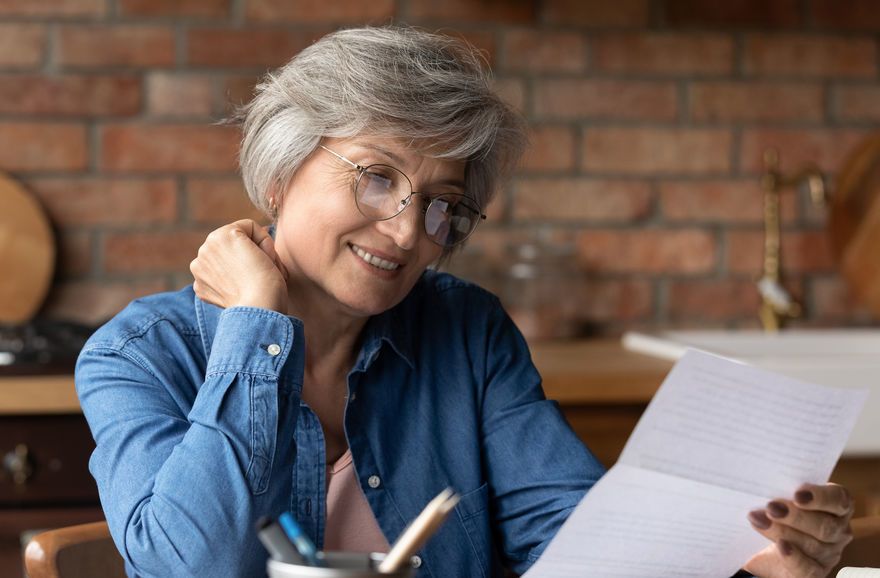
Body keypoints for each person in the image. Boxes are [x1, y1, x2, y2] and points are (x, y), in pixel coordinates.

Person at [76, 26, 853, 578]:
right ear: (280, 174)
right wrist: (256, 326)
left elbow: (571, 540)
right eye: (376, 176)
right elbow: (194, 566)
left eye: (445, 205)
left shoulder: (467, 328)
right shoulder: (138, 354)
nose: (410, 229)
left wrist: (745, 559)